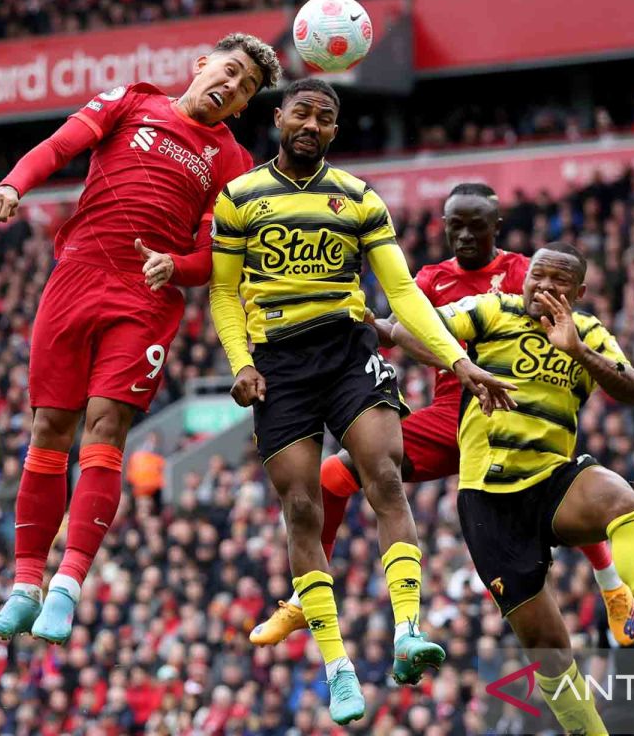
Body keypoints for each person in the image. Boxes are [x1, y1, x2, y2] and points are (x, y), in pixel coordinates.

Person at [208, 78, 516, 725]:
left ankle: (408, 628)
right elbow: (223, 292)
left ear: (334, 130)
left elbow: (403, 294)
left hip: (349, 352)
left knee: (383, 475)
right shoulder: (239, 198)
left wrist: (459, 363)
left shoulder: (357, 198)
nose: (312, 124)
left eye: (325, 117)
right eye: (302, 112)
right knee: (301, 505)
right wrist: (240, 365)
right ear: (279, 117)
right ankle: (337, 666)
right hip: (280, 366)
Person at [0, 34, 282, 645]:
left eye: (246, 87)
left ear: (244, 107)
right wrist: (14, 184)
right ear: (201, 64)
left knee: (106, 426)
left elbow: (216, 258)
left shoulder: (233, 164)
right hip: (77, 276)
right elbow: (62, 145)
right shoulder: (129, 102)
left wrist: (178, 266)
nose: (232, 86)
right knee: (47, 431)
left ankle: (67, 584)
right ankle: (24, 586)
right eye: (230, 70)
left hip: (144, 297)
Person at [250, 183, 634, 649]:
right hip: (448, 417)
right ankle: (303, 598)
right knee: (334, 475)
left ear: (496, 227)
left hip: (509, 412)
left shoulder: (526, 272)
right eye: (456, 226)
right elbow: (399, 331)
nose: (466, 236)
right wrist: (350, 315)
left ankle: (613, 585)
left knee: (552, 490)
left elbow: (562, 330)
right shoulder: (431, 279)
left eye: (477, 226)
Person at [434, 242, 634, 734]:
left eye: (557, 281)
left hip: (551, 481)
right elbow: (421, 328)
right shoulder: (490, 310)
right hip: (488, 503)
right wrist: (455, 362)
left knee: (622, 500)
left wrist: (578, 352)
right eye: (536, 277)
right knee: (549, 652)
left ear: (579, 292)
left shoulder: (587, 332)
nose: (543, 287)